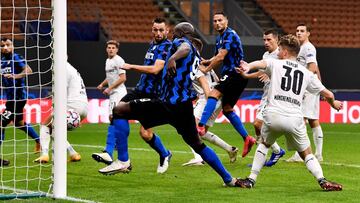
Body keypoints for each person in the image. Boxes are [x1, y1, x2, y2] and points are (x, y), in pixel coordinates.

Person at [99, 22, 242, 187]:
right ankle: (228, 179)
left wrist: (173, 58)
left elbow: (184, 48)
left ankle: (123, 160)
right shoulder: (196, 52)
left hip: (168, 104)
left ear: (181, 33)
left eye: (175, 32)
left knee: (119, 111)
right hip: (183, 107)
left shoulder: (182, 43)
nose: (172, 35)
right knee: (197, 144)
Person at [235, 34, 343, 191]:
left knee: (264, 145)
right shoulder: (306, 73)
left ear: (285, 52)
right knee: (306, 153)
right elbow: (329, 94)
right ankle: (322, 180)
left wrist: (247, 66)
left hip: (273, 116)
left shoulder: (275, 64)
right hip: (294, 118)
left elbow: (260, 63)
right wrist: (333, 104)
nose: (278, 51)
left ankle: (251, 179)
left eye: (279, 49)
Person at [95, 18, 172, 174]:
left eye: (161, 30)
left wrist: (131, 66)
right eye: (155, 30)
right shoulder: (153, 45)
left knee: (144, 133)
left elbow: (155, 70)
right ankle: (119, 158)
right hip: (140, 90)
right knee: (116, 113)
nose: (158, 33)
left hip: (154, 94)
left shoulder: (167, 47)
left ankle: (164, 153)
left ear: (167, 31)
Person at [196, 12, 256, 158]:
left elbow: (221, 57)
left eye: (220, 20)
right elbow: (217, 56)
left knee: (213, 94)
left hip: (234, 73)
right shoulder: (220, 38)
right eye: (215, 21)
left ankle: (201, 126)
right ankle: (247, 138)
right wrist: (207, 61)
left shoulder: (229, 34)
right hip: (237, 76)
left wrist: (206, 68)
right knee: (227, 109)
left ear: (226, 21)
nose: (217, 23)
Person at [183, 40, 238, 166]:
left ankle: (198, 157)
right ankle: (230, 149)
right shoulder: (205, 63)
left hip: (208, 99)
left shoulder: (194, 65)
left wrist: (209, 100)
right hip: (217, 98)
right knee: (202, 132)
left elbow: (205, 86)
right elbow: (218, 81)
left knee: (189, 128)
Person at [240, 29, 285, 167]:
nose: (266, 42)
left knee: (258, 124)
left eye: (269, 39)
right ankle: (277, 150)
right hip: (266, 95)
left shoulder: (282, 55)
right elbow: (261, 71)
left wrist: (272, 74)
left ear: (276, 40)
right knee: (260, 127)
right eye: (264, 40)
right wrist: (247, 75)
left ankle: (267, 154)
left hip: (277, 96)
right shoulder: (266, 54)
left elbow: (286, 70)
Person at [34, 62, 88, 163]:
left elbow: (61, 90)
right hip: (84, 106)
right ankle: (73, 154)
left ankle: (45, 154)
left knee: (45, 124)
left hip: (72, 104)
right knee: (56, 128)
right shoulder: (73, 69)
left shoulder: (64, 69)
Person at [287, 23, 324, 162]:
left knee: (301, 120)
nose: (298, 33)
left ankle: (301, 154)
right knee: (313, 120)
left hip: (306, 88)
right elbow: (316, 67)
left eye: (302, 31)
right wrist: (320, 86)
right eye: (297, 30)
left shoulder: (308, 47)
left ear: (308, 33)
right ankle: (317, 154)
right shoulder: (300, 48)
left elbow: (312, 68)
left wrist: (302, 86)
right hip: (310, 86)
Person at [0, 38, 40, 166]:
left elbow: (28, 70)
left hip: (18, 97)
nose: (5, 47)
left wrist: (15, 76)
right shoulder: (1, 61)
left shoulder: (16, 57)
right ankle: (39, 140)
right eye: (2, 46)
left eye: (8, 45)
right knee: (19, 123)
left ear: (12, 46)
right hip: (11, 98)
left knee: (1, 123)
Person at [91, 40, 128, 165]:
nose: (111, 49)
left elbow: (123, 78)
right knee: (114, 118)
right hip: (113, 94)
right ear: (106, 49)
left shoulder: (119, 60)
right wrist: (102, 84)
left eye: (113, 48)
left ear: (117, 50)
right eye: (109, 47)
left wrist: (110, 88)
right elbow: (111, 77)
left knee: (113, 118)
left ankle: (109, 151)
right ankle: (114, 146)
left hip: (119, 93)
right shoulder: (108, 61)